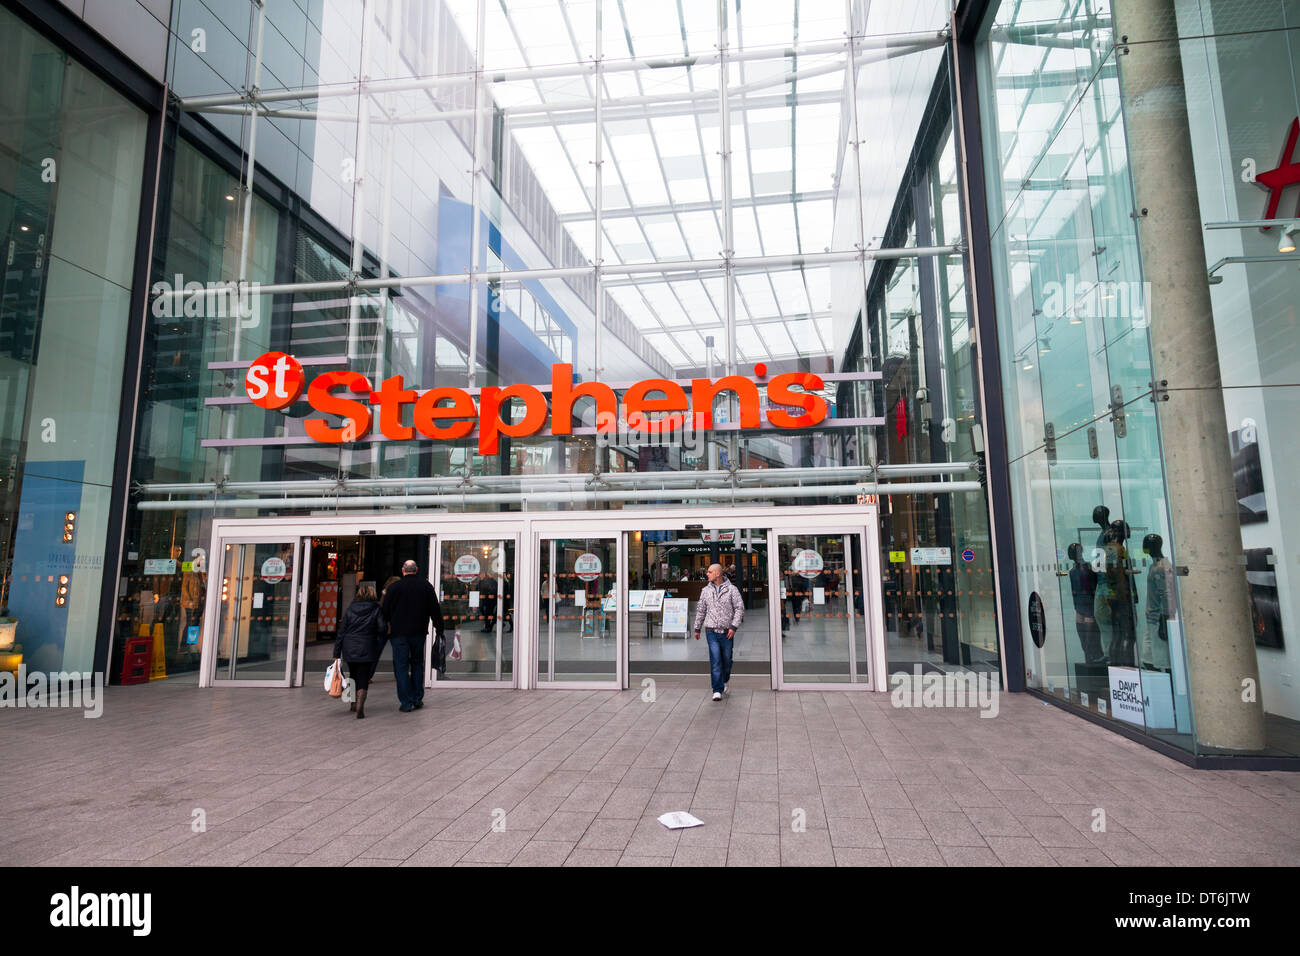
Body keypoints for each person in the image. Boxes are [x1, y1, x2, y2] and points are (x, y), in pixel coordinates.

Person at [381, 560, 444, 713]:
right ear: (417, 570)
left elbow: (384, 611)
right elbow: (435, 610)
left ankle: (406, 702)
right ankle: (417, 698)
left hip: (398, 634)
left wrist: (384, 627)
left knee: (401, 667)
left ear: (403, 570)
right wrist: (439, 629)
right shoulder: (426, 586)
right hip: (418, 632)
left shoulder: (394, 587)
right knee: (417, 664)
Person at [692, 563, 744, 701]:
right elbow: (701, 610)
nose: (706, 574)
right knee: (715, 660)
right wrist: (697, 628)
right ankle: (717, 690)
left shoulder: (732, 590)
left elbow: (739, 608)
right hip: (711, 632)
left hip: (727, 632)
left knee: (726, 660)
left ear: (717, 573)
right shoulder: (705, 591)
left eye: (709, 572)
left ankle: (725, 680)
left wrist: (733, 627)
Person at [333, 584, 384, 719]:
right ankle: (361, 703)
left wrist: (336, 653)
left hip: (349, 646)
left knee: (353, 674)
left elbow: (341, 632)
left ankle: (353, 703)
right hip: (367, 646)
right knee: (364, 675)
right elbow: (382, 628)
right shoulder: (376, 609)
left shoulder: (350, 609)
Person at [1141, 533, 1174, 672]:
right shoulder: (1154, 566)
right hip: (1152, 618)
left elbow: (1167, 595)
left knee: (1162, 661)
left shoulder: (1162, 567)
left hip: (1158, 618)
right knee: (1147, 659)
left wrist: (1164, 617)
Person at [1067, 543, 1103, 664]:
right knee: (1084, 639)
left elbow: (1093, 586)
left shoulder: (1087, 568)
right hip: (1079, 606)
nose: (1072, 554)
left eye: (1074, 551)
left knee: (1089, 639)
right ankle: (1089, 657)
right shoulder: (1073, 571)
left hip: (1088, 604)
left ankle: (1092, 657)